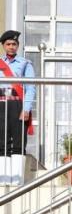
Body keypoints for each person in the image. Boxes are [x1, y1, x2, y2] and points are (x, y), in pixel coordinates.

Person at [0, 30, 35, 186]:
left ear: (18, 46)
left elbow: (31, 88)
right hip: (1, 103)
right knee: (2, 142)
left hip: (17, 104)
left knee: (19, 141)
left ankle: (16, 180)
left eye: (14, 44)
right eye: (8, 44)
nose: (11, 47)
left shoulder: (25, 63)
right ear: (3, 46)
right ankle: (3, 179)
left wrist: (26, 109)